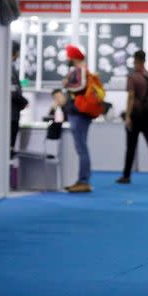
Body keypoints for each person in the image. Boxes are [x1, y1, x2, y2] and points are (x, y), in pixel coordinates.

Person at [117, 50, 148, 186]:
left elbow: (131, 96)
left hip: (136, 115)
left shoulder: (133, 77)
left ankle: (126, 175)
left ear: (135, 61)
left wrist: (127, 116)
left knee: (131, 147)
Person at [62, 45, 93, 193]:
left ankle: (83, 180)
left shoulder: (80, 70)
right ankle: (82, 179)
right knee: (81, 147)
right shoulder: (80, 70)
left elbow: (80, 86)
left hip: (79, 113)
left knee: (81, 147)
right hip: (79, 113)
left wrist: (67, 84)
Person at [10, 40, 28, 155]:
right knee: (8, 148)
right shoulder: (8, 69)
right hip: (11, 115)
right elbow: (12, 91)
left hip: (11, 114)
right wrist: (24, 102)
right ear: (16, 53)